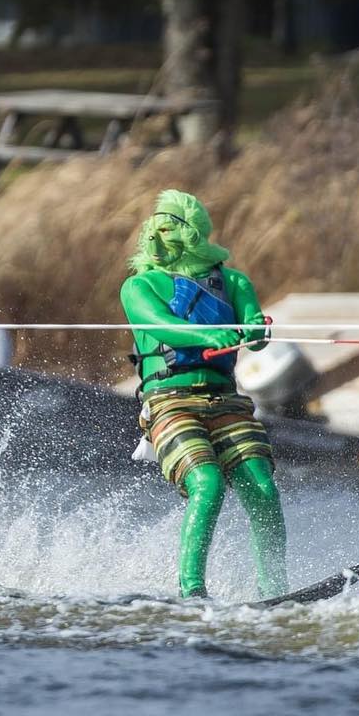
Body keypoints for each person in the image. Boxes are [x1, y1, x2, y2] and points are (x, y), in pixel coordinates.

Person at [120, 189, 288, 601]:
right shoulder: (139, 286)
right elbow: (160, 324)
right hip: (169, 401)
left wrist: (256, 329)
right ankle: (192, 590)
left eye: (169, 228)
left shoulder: (234, 282)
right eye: (155, 227)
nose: (157, 235)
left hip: (225, 400)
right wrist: (208, 334)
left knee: (263, 489)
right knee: (207, 483)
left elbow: (255, 332)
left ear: (192, 232)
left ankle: (274, 589)